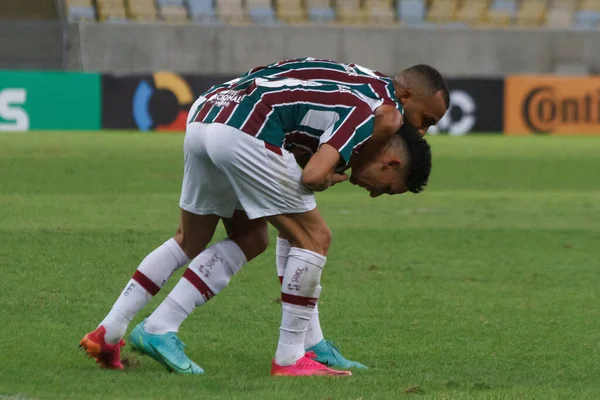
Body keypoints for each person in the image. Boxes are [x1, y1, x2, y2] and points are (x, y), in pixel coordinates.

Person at [80, 61, 447, 374]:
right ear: (406, 97)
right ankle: (289, 358)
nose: (420, 130)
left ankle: (110, 332)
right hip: (248, 130)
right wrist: (332, 176)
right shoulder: (386, 111)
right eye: (425, 119)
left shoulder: (358, 78)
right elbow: (312, 176)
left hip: (209, 112)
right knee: (315, 237)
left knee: (224, 238)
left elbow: (299, 147)